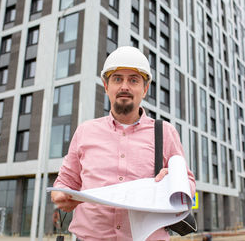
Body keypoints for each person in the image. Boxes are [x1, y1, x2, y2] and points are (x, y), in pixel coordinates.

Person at [51, 46, 196, 241]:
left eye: (133, 80)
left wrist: (174, 180)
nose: (124, 86)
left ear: (144, 89)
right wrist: (60, 197)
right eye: (117, 79)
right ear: (106, 86)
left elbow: (188, 184)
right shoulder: (85, 132)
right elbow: (65, 183)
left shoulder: (165, 132)